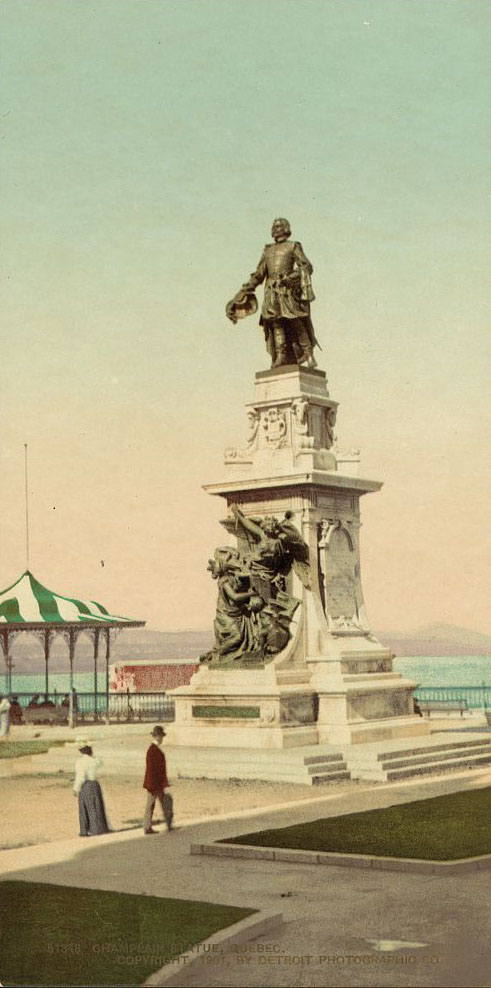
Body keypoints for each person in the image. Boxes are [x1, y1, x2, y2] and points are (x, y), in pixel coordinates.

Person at [226, 217, 319, 369]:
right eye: (274, 226)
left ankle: (308, 355)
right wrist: (241, 293)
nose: (276, 228)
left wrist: (289, 278)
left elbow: (306, 267)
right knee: (276, 323)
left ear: (286, 228)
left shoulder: (293, 246)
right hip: (271, 292)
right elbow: (258, 275)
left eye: (280, 225)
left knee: (296, 322)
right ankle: (281, 355)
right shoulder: (267, 250)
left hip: (288, 291)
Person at [73, 743, 110, 837]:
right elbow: (100, 762)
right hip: (95, 784)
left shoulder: (80, 762)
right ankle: (99, 828)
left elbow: (81, 777)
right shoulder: (95, 761)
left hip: (86, 785)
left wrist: (76, 788)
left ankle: (86, 829)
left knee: (85, 807)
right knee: (96, 806)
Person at [143, 726, 173, 834]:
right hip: (156, 783)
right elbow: (154, 769)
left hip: (154, 782)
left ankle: (148, 826)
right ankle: (166, 824)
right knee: (159, 803)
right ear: (158, 736)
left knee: (152, 804)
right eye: (161, 737)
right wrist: (161, 782)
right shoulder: (154, 750)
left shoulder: (152, 749)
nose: (162, 739)